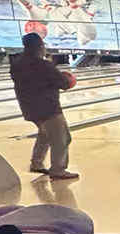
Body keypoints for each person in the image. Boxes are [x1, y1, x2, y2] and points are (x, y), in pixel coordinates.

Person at [11, 32, 78, 180]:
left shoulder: (17, 64)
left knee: (45, 133)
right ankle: (58, 170)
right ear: (39, 47)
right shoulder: (44, 65)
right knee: (62, 137)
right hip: (48, 108)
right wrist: (70, 79)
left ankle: (37, 164)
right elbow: (65, 84)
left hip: (28, 107)